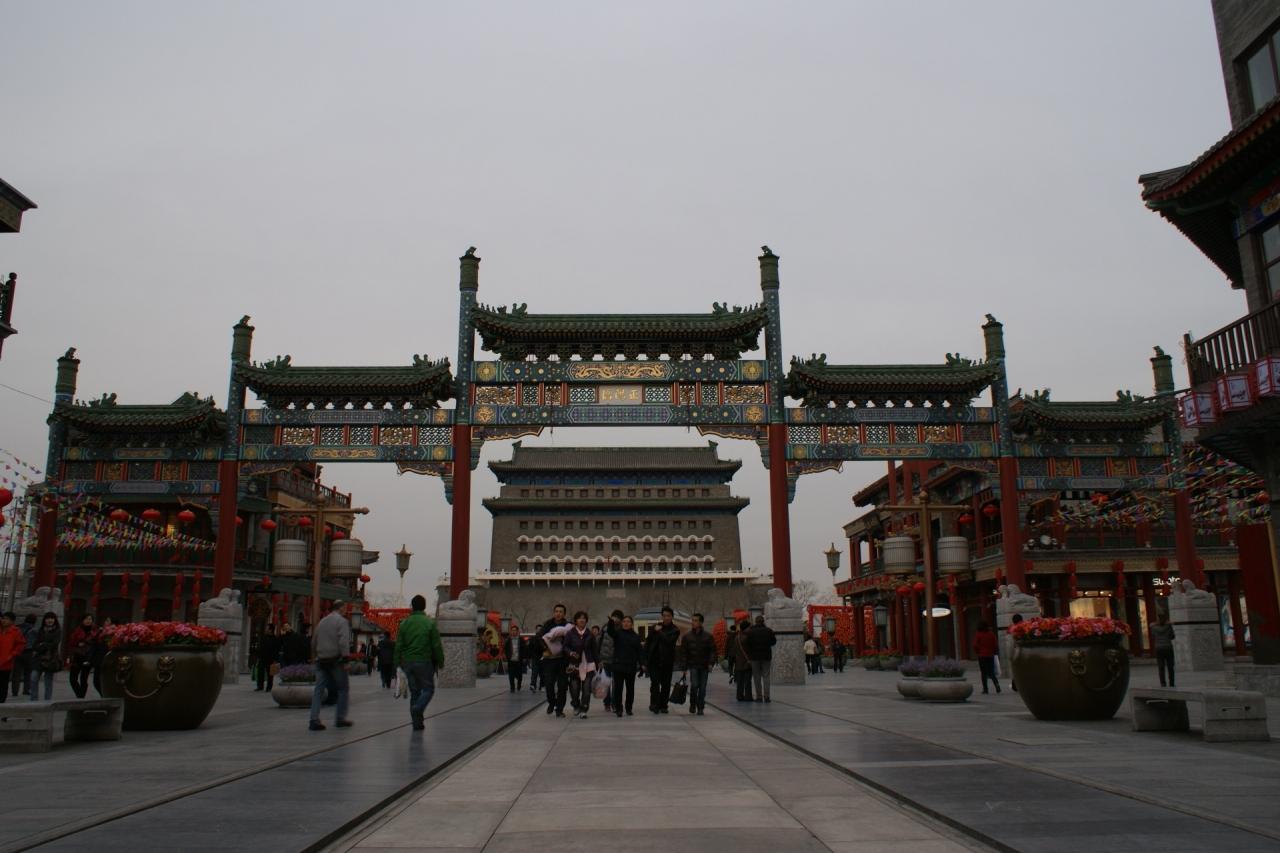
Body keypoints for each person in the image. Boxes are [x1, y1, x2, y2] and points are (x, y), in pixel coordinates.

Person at [395, 594, 445, 730]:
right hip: (424, 661)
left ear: (412, 606)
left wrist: (397, 664)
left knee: (415, 692)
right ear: (424, 606)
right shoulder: (430, 623)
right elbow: (436, 645)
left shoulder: (404, 623)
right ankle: (418, 707)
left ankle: (417, 723)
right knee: (428, 689)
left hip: (408, 662)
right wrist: (440, 661)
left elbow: (398, 645)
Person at [309, 602, 353, 731]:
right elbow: (343, 641)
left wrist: (315, 655)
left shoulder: (322, 622)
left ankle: (314, 719)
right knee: (343, 688)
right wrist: (346, 659)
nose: (346, 611)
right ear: (340, 608)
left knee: (319, 690)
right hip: (335, 660)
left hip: (321, 660)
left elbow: (314, 641)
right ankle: (340, 718)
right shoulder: (342, 621)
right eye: (345, 608)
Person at [678, 612, 716, 716]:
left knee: (703, 688)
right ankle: (693, 704)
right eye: (692, 620)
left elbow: (712, 651)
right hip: (693, 665)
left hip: (704, 666)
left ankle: (700, 707)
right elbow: (683, 653)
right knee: (694, 685)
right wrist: (684, 667)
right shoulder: (687, 637)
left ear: (701, 622)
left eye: (695, 621)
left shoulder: (708, 636)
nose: (693, 622)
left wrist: (711, 663)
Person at [644, 606, 680, 714]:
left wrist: (659, 632)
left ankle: (663, 705)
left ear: (672, 617)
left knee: (665, 684)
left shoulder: (675, 630)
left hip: (667, 661)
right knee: (655, 683)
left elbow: (669, 641)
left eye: (668, 616)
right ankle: (654, 704)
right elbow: (648, 642)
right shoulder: (655, 627)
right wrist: (645, 658)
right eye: (664, 615)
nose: (666, 618)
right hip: (654, 661)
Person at [536, 605, 570, 717]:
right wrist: (545, 648)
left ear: (564, 614)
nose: (558, 613)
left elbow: (571, 640)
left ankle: (559, 709)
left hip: (562, 660)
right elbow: (539, 637)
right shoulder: (548, 624)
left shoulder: (567, 626)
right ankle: (551, 702)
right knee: (549, 684)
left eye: (561, 612)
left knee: (562, 686)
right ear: (553, 613)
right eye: (556, 611)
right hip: (549, 660)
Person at [563, 610, 598, 719]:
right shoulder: (570, 633)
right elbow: (565, 647)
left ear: (586, 621)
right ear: (576, 621)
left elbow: (595, 650)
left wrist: (598, 663)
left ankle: (584, 709)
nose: (582, 620)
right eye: (579, 618)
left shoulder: (590, 634)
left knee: (587, 690)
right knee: (574, 688)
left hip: (588, 664)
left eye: (584, 618)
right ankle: (576, 704)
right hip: (574, 664)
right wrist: (571, 653)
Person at [608, 614, 643, 717]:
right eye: (624, 621)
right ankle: (619, 709)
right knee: (618, 689)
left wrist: (642, 664)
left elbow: (640, 652)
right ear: (621, 623)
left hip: (631, 666)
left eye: (628, 622)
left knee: (630, 689)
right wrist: (611, 623)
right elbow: (610, 632)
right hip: (618, 666)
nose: (626, 623)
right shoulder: (617, 633)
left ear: (632, 624)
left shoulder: (636, 636)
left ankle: (629, 708)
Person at [29, 612, 62, 701]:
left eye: (52, 618)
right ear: (44, 620)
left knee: (48, 681)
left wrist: (42, 644)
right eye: (47, 618)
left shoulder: (57, 631)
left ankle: (47, 701)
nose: (49, 620)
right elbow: (35, 644)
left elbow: (54, 644)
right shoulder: (41, 630)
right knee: (33, 677)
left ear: (54, 620)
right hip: (39, 657)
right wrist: (42, 645)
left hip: (50, 658)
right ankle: (33, 700)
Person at [745, 615, 775, 703]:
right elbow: (774, 641)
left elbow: (747, 644)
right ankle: (767, 696)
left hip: (754, 657)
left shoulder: (751, 632)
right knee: (766, 676)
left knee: (756, 676)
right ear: (763, 621)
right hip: (766, 656)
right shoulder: (769, 631)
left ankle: (759, 696)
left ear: (755, 622)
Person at [67, 614, 97, 699]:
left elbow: (96, 643)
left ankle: (81, 697)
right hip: (77, 656)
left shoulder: (94, 631)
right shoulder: (77, 630)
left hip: (88, 657)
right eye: (86, 619)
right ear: (82, 620)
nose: (88, 621)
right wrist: (77, 644)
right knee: (73, 679)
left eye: (90, 619)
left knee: (83, 679)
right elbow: (71, 643)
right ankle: (80, 695)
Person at [0, 612, 26, 704]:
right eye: (3, 618)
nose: (4, 620)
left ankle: (1, 701)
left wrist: (12, 654)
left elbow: (21, 644)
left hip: (6, 661)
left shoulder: (15, 631)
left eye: (7, 619)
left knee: (3, 682)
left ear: (12, 621)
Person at [598, 610, 620, 713]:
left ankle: (614, 703)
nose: (616, 619)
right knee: (606, 683)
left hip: (617, 661)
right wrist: (599, 659)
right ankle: (607, 703)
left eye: (618, 617)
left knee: (616, 684)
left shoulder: (622, 629)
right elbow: (599, 642)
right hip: (605, 659)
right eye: (614, 616)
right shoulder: (604, 628)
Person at [973, 621, 1001, 695]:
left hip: (982, 655)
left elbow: (975, 645)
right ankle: (997, 684)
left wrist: (978, 651)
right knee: (991, 672)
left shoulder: (978, 634)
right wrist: (994, 651)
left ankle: (985, 689)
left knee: (983, 673)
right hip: (990, 655)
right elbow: (995, 644)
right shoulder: (991, 634)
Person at [11, 614, 36, 698]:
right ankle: (26, 690)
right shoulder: (34, 629)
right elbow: (35, 641)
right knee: (28, 672)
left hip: (18, 651)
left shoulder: (17, 628)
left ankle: (15, 691)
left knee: (16, 673)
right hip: (29, 652)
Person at [1151, 612, 1176, 688]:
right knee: (1170, 666)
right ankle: (1171, 683)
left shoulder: (1153, 627)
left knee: (1161, 666)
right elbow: (1172, 636)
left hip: (1158, 648)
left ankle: (1163, 683)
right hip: (1168, 647)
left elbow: (1153, 635)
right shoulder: (1169, 626)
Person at [90, 616, 113, 696]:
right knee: (96, 681)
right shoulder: (100, 632)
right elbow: (94, 644)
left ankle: (107, 696)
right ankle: (103, 695)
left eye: (108, 621)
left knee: (106, 680)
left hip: (109, 660)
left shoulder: (114, 632)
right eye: (106, 621)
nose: (106, 622)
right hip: (99, 660)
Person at [732, 619, 754, 701]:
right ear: (746, 628)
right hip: (746, 662)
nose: (750, 629)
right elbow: (750, 650)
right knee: (747, 681)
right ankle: (748, 696)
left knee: (740, 681)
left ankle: (739, 696)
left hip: (738, 662)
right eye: (749, 627)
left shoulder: (736, 637)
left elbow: (734, 650)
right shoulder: (747, 637)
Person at [256, 624, 281, 692]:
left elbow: (277, 650)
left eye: (267, 628)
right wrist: (258, 657)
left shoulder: (275, 639)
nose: (266, 629)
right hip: (262, 658)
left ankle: (269, 687)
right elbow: (260, 648)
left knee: (270, 674)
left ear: (270, 630)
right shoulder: (263, 637)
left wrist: (275, 660)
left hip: (271, 659)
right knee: (260, 672)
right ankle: (260, 686)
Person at [504, 624, 526, 693]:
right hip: (511, 660)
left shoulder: (521, 640)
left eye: (515, 630)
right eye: (512, 630)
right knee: (511, 675)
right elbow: (505, 649)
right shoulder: (508, 640)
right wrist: (507, 657)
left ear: (517, 631)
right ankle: (512, 687)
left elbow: (524, 649)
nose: (513, 632)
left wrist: (524, 657)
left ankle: (519, 684)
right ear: (511, 631)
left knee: (519, 675)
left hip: (519, 660)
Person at [1008, 614, 1023, 692]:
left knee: (1015, 669)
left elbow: (1010, 644)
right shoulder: (1025, 627)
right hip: (1023, 651)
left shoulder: (1011, 629)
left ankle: (1015, 684)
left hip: (1015, 650)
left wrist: (1010, 655)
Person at [527, 624, 543, 693]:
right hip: (535, 658)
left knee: (542, 673)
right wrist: (529, 658)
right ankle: (533, 685)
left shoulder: (544, 638)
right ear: (536, 630)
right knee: (534, 672)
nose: (539, 630)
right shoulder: (532, 639)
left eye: (540, 629)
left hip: (543, 658)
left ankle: (542, 685)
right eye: (538, 629)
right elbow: (529, 649)